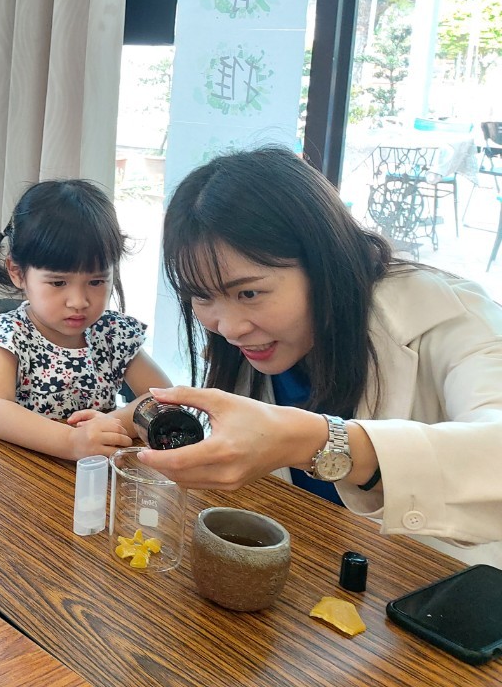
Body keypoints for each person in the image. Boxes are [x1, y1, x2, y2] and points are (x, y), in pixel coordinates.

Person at [141, 146, 502, 567]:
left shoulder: (452, 317)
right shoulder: (255, 344)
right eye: (202, 297)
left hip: (438, 584)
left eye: (249, 293)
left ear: (324, 261)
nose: (230, 328)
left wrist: (320, 444)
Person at [0, 180, 171, 461]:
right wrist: (71, 441)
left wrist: (113, 424)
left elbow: (165, 397)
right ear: (17, 272)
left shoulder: (113, 333)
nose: (79, 301)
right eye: (58, 282)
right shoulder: (6, 336)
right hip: (15, 470)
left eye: (96, 281)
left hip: (93, 470)